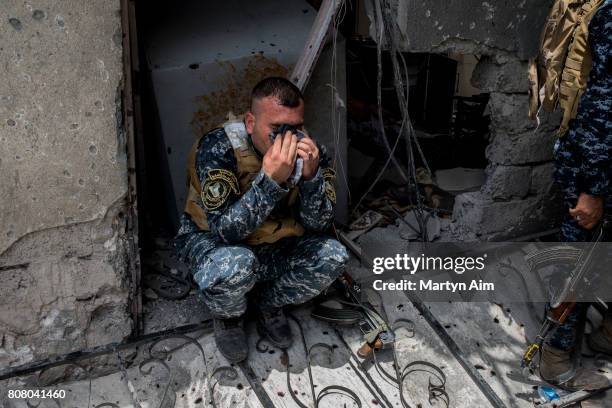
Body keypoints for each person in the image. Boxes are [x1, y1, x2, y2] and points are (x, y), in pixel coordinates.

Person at [174, 77, 348, 363]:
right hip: (218, 243)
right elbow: (225, 231)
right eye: (277, 130)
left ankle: (268, 303)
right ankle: (229, 316)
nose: (288, 140)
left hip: (274, 240)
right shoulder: (219, 148)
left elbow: (319, 224)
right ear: (251, 122)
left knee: (333, 256)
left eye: (295, 128)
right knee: (234, 266)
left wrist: (311, 178)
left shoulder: (311, 153)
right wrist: (270, 181)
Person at [539, 0, 612, 390]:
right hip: (593, 165)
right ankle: (554, 358)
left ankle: (605, 336)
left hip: (599, 164)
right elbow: (603, 108)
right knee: (578, 265)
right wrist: (593, 190)